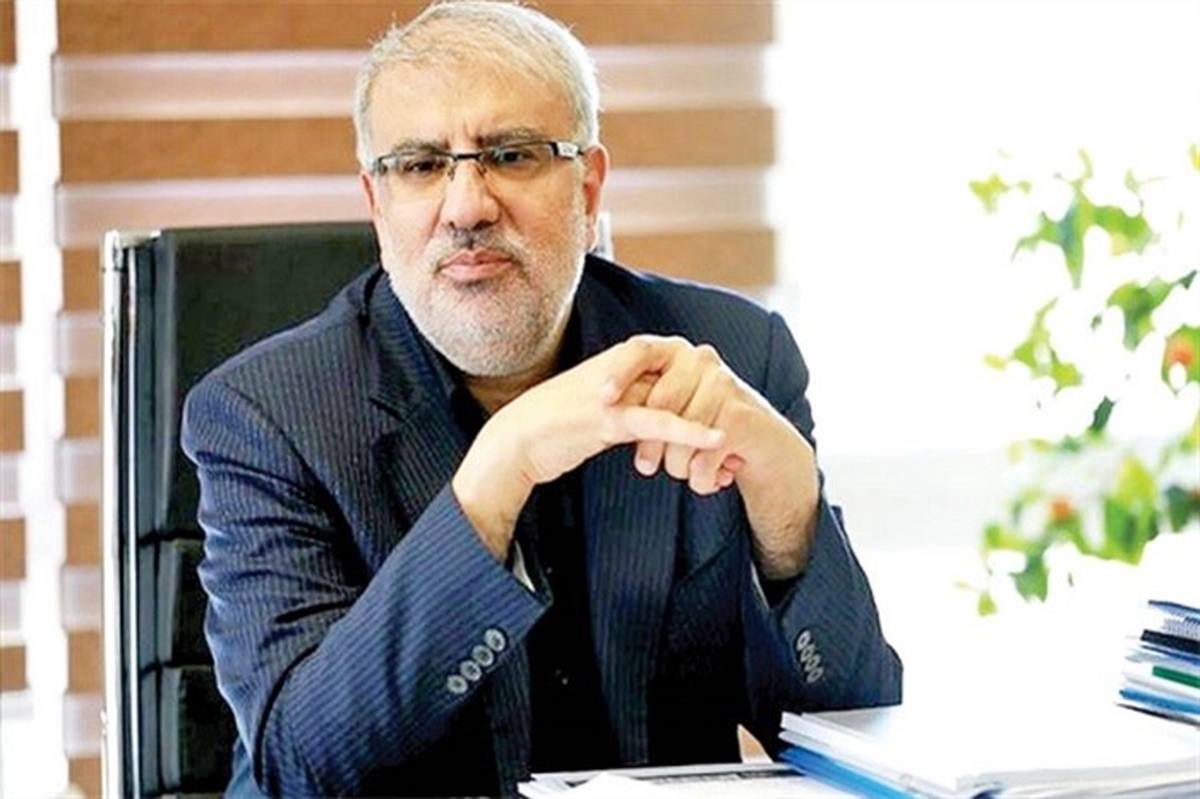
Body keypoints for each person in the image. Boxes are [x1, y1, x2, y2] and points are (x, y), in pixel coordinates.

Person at [182, 1, 901, 796]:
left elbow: (857, 732)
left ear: (588, 188)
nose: (467, 206)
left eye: (512, 154)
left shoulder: (734, 355)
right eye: (420, 165)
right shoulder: (265, 417)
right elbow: (298, 768)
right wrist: (498, 473)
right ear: (376, 204)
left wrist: (793, 517)